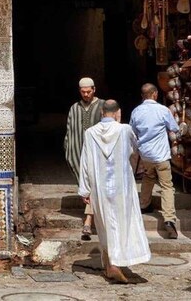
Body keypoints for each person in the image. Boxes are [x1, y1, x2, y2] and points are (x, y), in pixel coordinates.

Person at [79, 99, 151, 283]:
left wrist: (85, 190)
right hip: (122, 187)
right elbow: (135, 149)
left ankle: (111, 263)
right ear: (117, 112)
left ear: (102, 112)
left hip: (100, 188)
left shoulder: (90, 133)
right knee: (121, 224)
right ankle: (115, 264)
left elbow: (85, 162)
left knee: (105, 226)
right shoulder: (125, 130)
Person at [130, 82, 180, 239]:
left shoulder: (136, 111)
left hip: (146, 155)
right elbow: (175, 128)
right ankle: (169, 219)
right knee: (166, 186)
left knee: (148, 177)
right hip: (161, 155)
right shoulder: (163, 110)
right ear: (155, 94)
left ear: (142, 96)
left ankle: (144, 205)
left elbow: (133, 132)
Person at [65, 77, 103, 240]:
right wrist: (69, 149)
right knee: (88, 187)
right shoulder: (74, 108)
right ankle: (91, 218)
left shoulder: (102, 106)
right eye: (83, 92)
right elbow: (70, 131)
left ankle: (88, 220)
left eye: (89, 91)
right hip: (80, 154)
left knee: (93, 186)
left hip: (98, 155)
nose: (86, 94)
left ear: (94, 89)